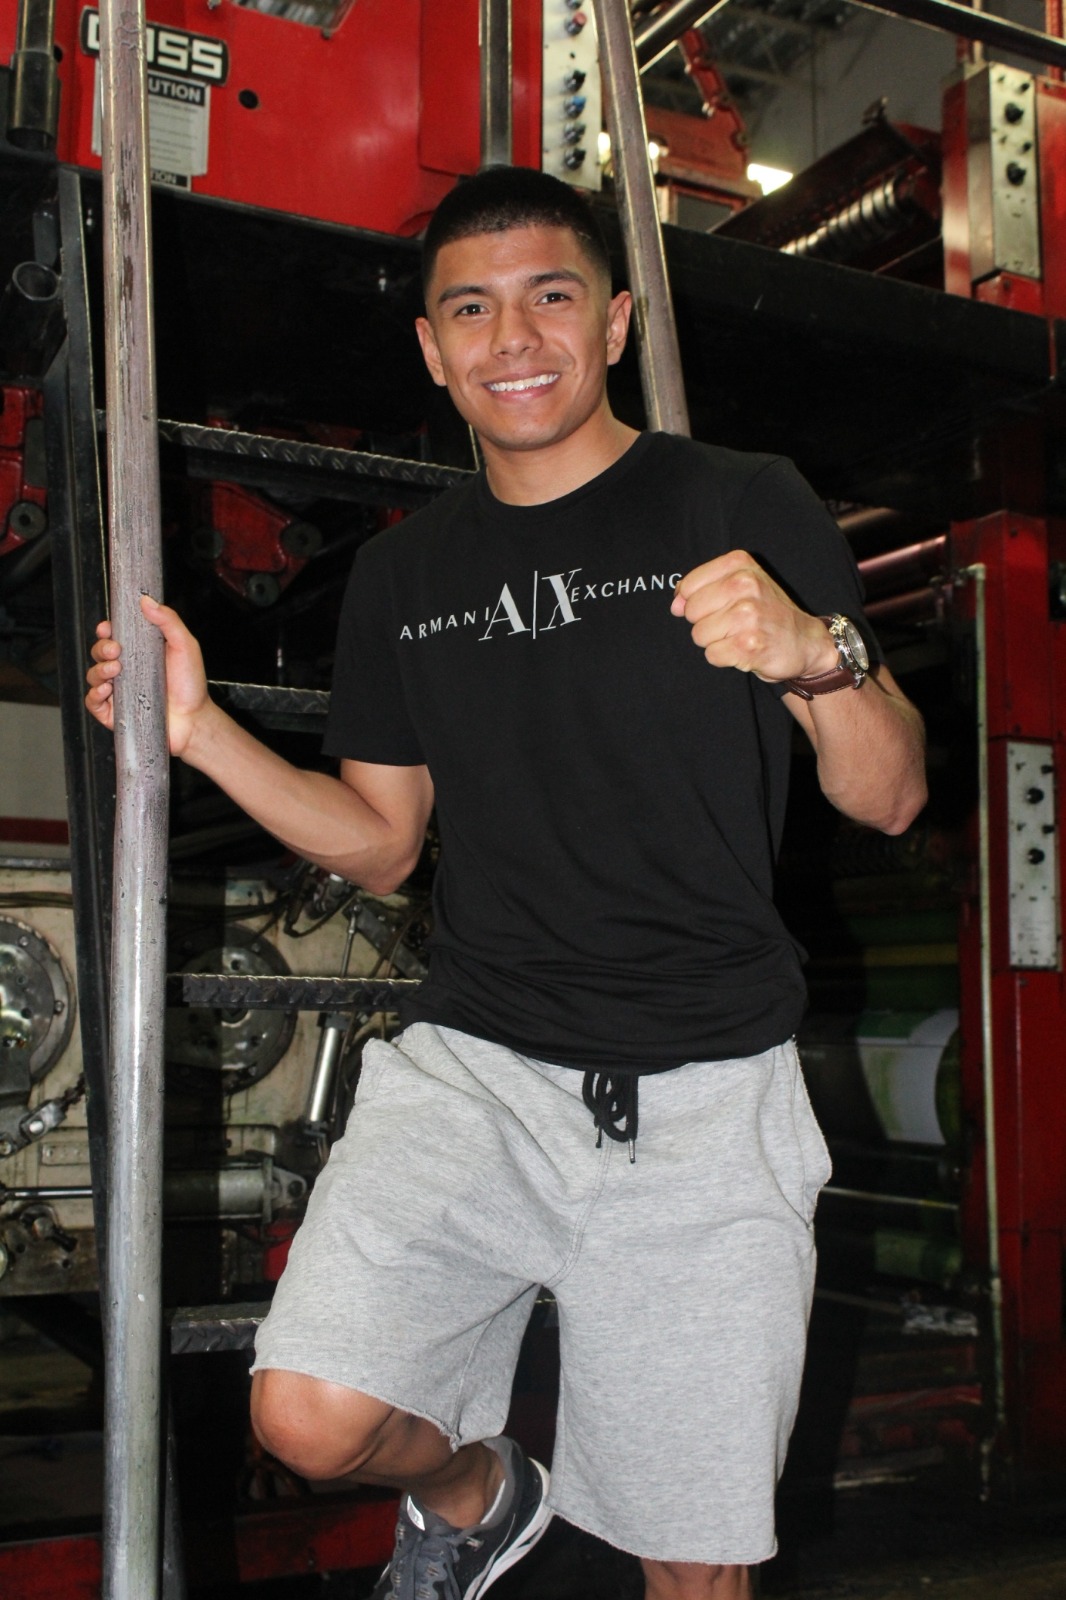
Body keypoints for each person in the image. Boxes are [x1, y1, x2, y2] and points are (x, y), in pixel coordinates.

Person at [87, 166, 926, 1600]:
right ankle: (479, 1496)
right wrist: (203, 730)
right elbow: (380, 841)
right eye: (470, 310)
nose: (513, 338)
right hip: (480, 1068)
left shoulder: (736, 500)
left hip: (704, 1097)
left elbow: (890, 793)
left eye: (550, 297)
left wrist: (815, 658)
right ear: (431, 349)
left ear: (614, 322)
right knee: (310, 1416)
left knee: (694, 1574)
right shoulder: (404, 575)